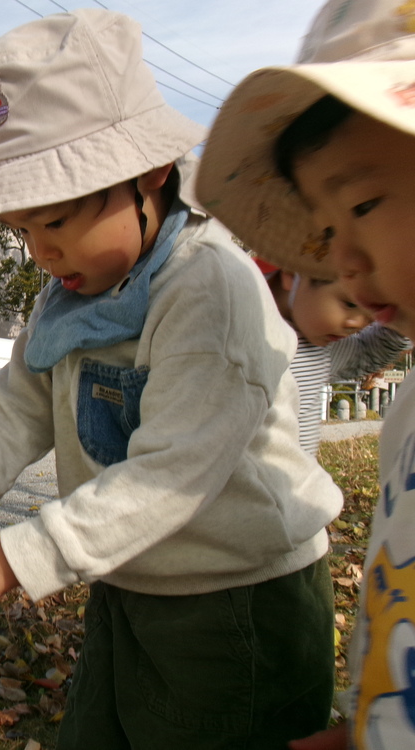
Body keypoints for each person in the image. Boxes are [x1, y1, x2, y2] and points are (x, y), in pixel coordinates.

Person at [0, 9, 344, 750]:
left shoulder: (205, 289)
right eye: (23, 229)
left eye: (56, 220)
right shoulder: (70, 296)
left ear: (148, 174)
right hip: (127, 584)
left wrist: (6, 560)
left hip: (238, 606)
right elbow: (16, 404)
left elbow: (171, 474)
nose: (41, 251)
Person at [196, 2, 415, 748]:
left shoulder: (332, 357)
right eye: (327, 231)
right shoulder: (254, 339)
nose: (344, 263)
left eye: (363, 204)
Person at [253, 259, 407, 454]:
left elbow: (369, 351)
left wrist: (404, 316)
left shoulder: (318, 344)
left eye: (371, 316)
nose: (357, 323)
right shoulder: (237, 330)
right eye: (349, 304)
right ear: (292, 273)